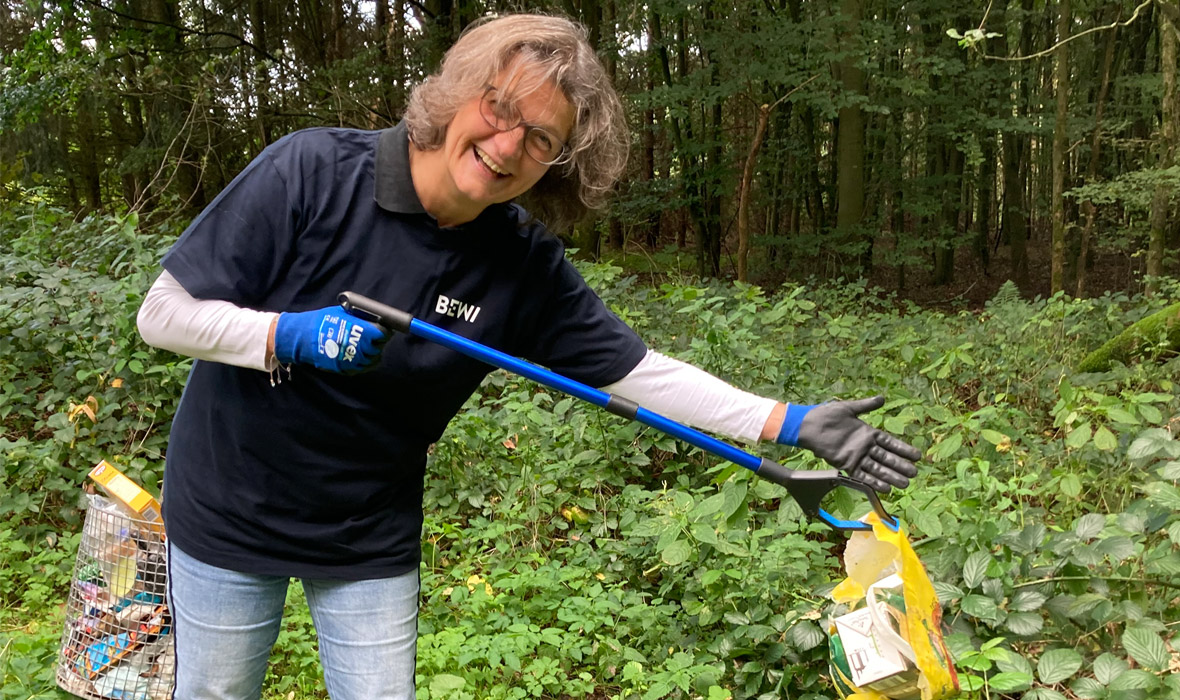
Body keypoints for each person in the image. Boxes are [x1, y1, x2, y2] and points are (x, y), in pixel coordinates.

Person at [136, 13, 920, 700]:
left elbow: (638, 373)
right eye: (499, 108)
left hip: (364, 532)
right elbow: (163, 315)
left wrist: (789, 421)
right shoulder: (311, 171)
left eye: (540, 138)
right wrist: (287, 335)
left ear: (557, 163)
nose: (507, 145)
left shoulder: (522, 265)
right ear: (457, 94)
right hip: (227, 508)